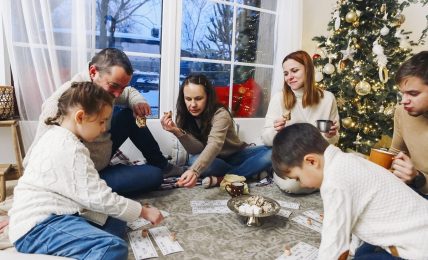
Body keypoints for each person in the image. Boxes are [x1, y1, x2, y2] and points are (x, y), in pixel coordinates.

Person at [8, 82, 164, 259]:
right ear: (80, 117)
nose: (104, 128)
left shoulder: (55, 135)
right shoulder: (70, 148)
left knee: (117, 221)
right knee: (113, 248)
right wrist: (143, 211)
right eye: (101, 121)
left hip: (60, 213)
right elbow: (99, 197)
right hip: (39, 228)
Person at [26, 48, 182, 196]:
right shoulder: (61, 103)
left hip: (103, 156)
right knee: (153, 176)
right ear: (93, 72)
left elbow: (128, 93)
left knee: (128, 116)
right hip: (86, 174)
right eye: (114, 86)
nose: (117, 94)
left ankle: (162, 164)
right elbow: (36, 156)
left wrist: (137, 102)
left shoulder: (105, 89)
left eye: (122, 87)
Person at [272, 123, 428, 259]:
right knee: (361, 251)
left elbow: (334, 242)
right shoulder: (348, 160)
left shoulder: (335, 181)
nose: (302, 184)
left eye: (298, 178)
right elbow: (355, 216)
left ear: (311, 161)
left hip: (417, 249)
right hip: (419, 227)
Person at [160, 74, 272, 188]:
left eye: (198, 98)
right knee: (195, 160)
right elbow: (197, 149)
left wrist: (194, 171)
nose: (193, 104)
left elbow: (215, 144)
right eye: (188, 99)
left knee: (272, 153)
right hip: (213, 160)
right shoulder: (183, 116)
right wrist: (177, 131)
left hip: (237, 154)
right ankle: (246, 172)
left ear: (208, 97)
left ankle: (223, 178)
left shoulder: (220, 114)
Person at [262, 50, 339, 194]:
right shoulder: (279, 99)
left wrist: (330, 135)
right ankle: (315, 180)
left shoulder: (328, 99)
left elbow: (334, 140)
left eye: (294, 71)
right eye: (286, 73)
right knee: (293, 186)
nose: (289, 77)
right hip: (291, 158)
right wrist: (276, 131)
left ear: (308, 70)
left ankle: (318, 179)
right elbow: (265, 139)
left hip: (318, 159)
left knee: (347, 172)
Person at [390, 51, 428, 197]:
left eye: (413, 94)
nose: (404, 101)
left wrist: (417, 178)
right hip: (410, 191)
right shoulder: (401, 112)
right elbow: (395, 154)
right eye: (402, 93)